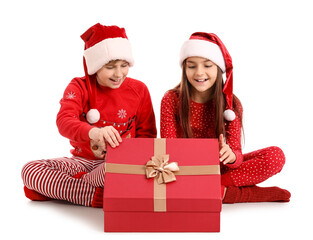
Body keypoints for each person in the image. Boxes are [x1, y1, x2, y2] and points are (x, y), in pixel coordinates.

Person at [21, 23, 157, 207]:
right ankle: (93, 194)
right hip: (81, 163)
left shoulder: (139, 90)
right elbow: (64, 121)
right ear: (95, 64)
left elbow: (147, 136)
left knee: (117, 171)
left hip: (117, 165)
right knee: (30, 170)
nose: (119, 74)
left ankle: (64, 189)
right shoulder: (79, 86)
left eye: (124, 65)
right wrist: (94, 133)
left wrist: (126, 157)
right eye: (110, 67)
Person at [160, 32, 290, 203]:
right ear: (184, 69)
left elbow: (236, 156)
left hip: (220, 172)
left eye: (207, 65)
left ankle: (212, 189)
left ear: (219, 69)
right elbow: (169, 148)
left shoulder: (231, 105)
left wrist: (232, 156)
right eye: (191, 66)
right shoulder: (171, 99)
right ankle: (244, 195)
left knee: (276, 156)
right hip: (185, 171)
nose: (199, 73)